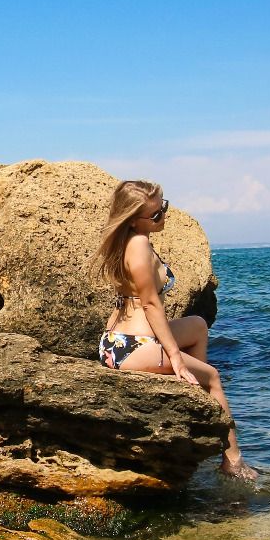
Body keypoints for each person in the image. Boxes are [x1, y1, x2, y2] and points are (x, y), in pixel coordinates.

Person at [92, 179, 253, 480]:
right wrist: (175, 357)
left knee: (197, 326)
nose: (162, 216)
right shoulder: (138, 245)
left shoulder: (128, 240)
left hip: (116, 343)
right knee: (214, 378)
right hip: (137, 346)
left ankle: (193, 406)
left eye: (162, 208)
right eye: (154, 215)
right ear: (133, 218)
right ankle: (233, 461)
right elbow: (152, 305)